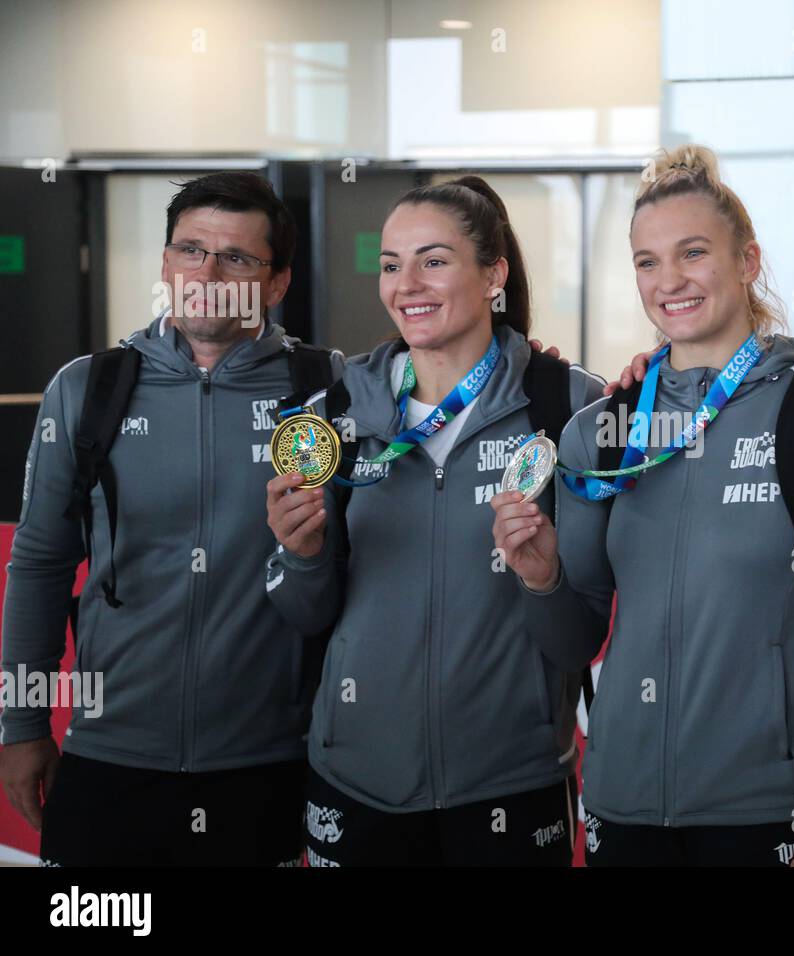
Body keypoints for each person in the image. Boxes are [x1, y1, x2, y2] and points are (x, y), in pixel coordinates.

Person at [491, 145, 794, 867]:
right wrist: (540, 579)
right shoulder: (601, 433)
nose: (669, 281)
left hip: (772, 813)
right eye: (647, 262)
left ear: (747, 261)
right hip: (622, 810)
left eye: (692, 253)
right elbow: (572, 642)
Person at [1, 172, 342, 865]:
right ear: (165, 265)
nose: (207, 273)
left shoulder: (328, 389)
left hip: (270, 761)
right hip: (111, 755)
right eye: (190, 250)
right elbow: (40, 561)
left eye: (237, 258)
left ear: (276, 282)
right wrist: (20, 723)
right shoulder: (88, 388)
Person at [264, 177, 605, 866]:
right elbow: (305, 617)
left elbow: (577, 641)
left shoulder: (569, 408)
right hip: (356, 783)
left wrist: (542, 579)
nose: (407, 284)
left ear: (494, 272)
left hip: (509, 787)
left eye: (434, 260)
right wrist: (300, 554)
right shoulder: (329, 417)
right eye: (391, 264)